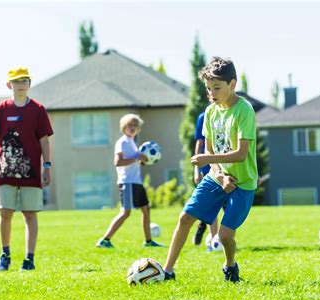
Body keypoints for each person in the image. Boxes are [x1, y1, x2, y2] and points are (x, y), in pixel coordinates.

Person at [163, 57, 258, 282]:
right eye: (208, 89)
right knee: (185, 217)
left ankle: (230, 265)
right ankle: (167, 271)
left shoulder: (244, 111)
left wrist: (208, 159)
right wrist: (220, 174)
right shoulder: (210, 112)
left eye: (216, 88)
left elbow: (241, 153)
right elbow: (211, 148)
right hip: (217, 178)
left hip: (243, 183)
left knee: (225, 235)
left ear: (232, 85)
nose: (211, 93)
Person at [0, 67, 54, 272]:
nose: (21, 84)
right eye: (17, 81)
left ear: (29, 83)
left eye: (25, 80)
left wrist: (47, 166)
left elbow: (44, 139)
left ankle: (29, 260)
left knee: (29, 214)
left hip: (31, 172)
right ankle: (4, 255)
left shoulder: (38, 109)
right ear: (9, 85)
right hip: (5, 172)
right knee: (5, 213)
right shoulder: (1, 109)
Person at [96, 114, 163, 248]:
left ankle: (148, 242)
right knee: (126, 212)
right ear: (124, 127)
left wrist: (142, 160)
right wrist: (137, 157)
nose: (132, 128)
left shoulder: (132, 142)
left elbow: (134, 160)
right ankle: (104, 240)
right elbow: (118, 162)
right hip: (127, 182)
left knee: (146, 210)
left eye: (135, 125)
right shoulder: (123, 142)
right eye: (130, 125)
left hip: (136, 182)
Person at [192, 111, 220, 252]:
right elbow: (200, 143)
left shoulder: (233, 114)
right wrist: (196, 170)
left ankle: (205, 227)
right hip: (209, 167)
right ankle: (215, 239)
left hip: (228, 165)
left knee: (227, 207)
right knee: (212, 205)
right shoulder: (204, 117)